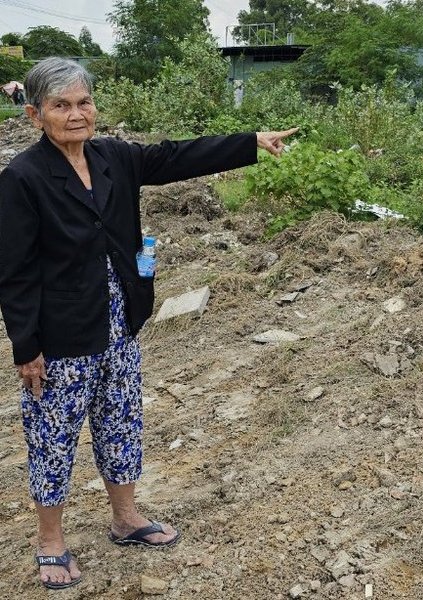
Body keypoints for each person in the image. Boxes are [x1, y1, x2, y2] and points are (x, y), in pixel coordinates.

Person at [0, 57, 297, 590]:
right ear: (34, 114)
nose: (76, 114)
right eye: (60, 105)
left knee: (120, 421)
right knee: (53, 436)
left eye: (83, 102)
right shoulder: (22, 178)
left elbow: (176, 156)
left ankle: (125, 518)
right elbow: (15, 271)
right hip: (62, 333)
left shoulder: (113, 156)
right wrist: (27, 346)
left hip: (119, 322)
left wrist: (251, 140)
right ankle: (50, 542)